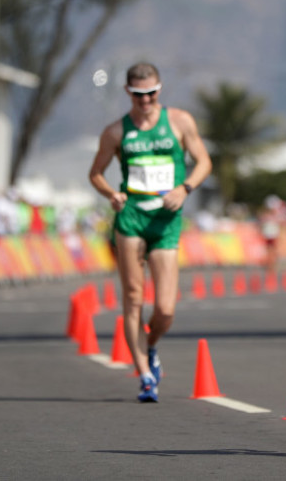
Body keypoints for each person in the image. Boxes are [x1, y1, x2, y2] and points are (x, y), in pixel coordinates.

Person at [89, 62, 212, 402]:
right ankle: (144, 374)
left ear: (160, 89)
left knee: (166, 309)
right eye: (139, 94)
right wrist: (111, 194)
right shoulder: (116, 132)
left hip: (166, 219)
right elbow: (95, 173)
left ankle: (152, 344)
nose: (146, 101)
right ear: (128, 92)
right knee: (132, 297)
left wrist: (185, 188)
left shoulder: (179, 122)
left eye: (152, 93)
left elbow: (204, 161)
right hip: (131, 218)